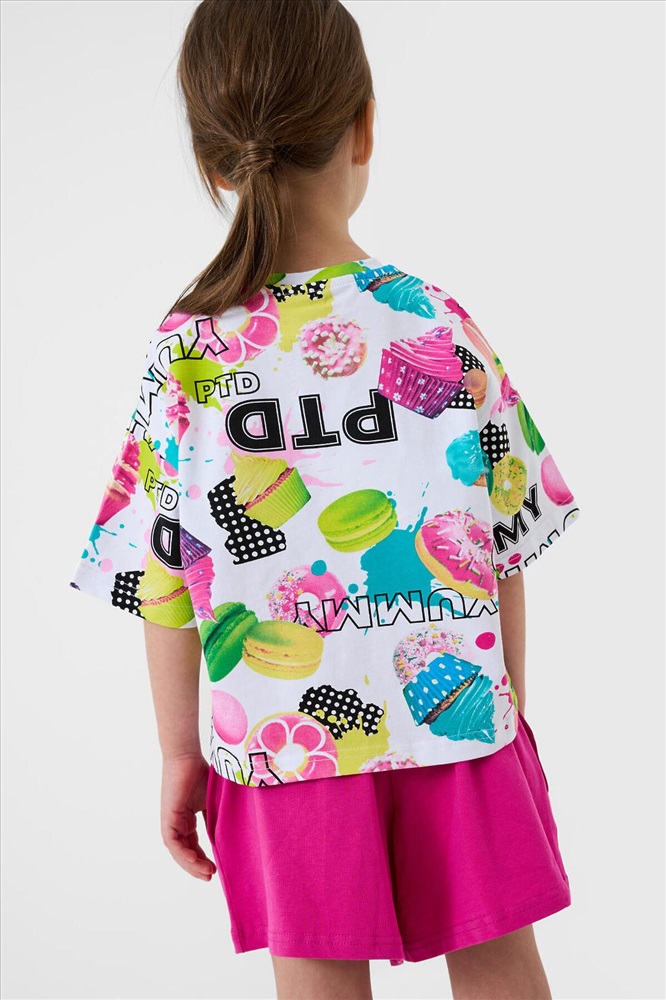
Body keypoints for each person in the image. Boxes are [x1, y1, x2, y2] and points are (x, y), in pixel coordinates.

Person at [68, 1, 582, 997]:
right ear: (364, 126)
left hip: (279, 737)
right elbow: (505, 542)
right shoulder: (434, 321)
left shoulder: (189, 354)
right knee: (500, 964)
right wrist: (509, 717)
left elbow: (166, 582)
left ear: (214, 158)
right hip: (460, 713)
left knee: (316, 983)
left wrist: (179, 755)